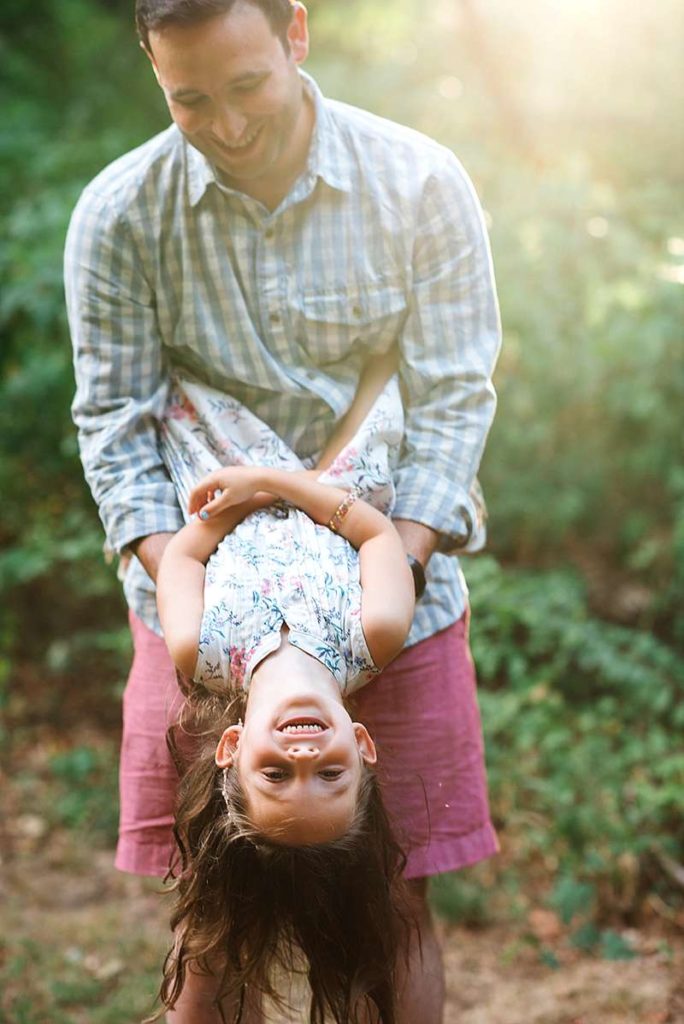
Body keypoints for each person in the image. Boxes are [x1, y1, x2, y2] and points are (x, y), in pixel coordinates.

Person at [64, 0, 502, 1020]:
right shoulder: (120, 214)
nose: (227, 124)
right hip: (190, 576)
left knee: (391, 910)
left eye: (247, 85)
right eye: (189, 99)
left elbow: (452, 391)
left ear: (295, 35)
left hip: (406, 576)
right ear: (154, 72)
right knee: (214, 916)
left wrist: (392, 553)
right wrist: (188, 562)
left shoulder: (420, 182)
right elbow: (113, 420)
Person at [152, 361, 417, 1020]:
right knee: (379, 382)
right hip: (340, 455)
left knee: (184, 385)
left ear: (232, 748)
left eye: (273, 774)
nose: (303, 760)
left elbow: (182, 558)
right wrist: (275, 484)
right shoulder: (376, 631)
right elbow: (378, 533)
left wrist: (238, 496)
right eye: (331, 774)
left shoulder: (200, 648)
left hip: (219, 435)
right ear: (362, 745)